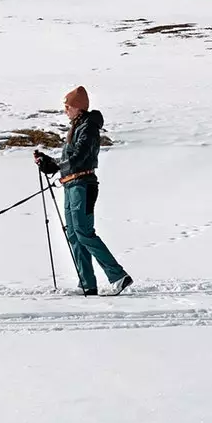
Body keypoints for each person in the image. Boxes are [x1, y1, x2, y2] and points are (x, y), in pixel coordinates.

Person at [35, 85, 133, 296]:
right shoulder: (77, 127)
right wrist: (49, 162)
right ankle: (86, 283)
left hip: (83, 185)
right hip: (71, 184)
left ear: (78, 108)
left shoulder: (87, 127)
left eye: (68, 106)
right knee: (73, 234)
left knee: (83, 232)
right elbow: (70, 158)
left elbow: (79, 156)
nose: (65, 110)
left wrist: (57, 165)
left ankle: (118, 276)